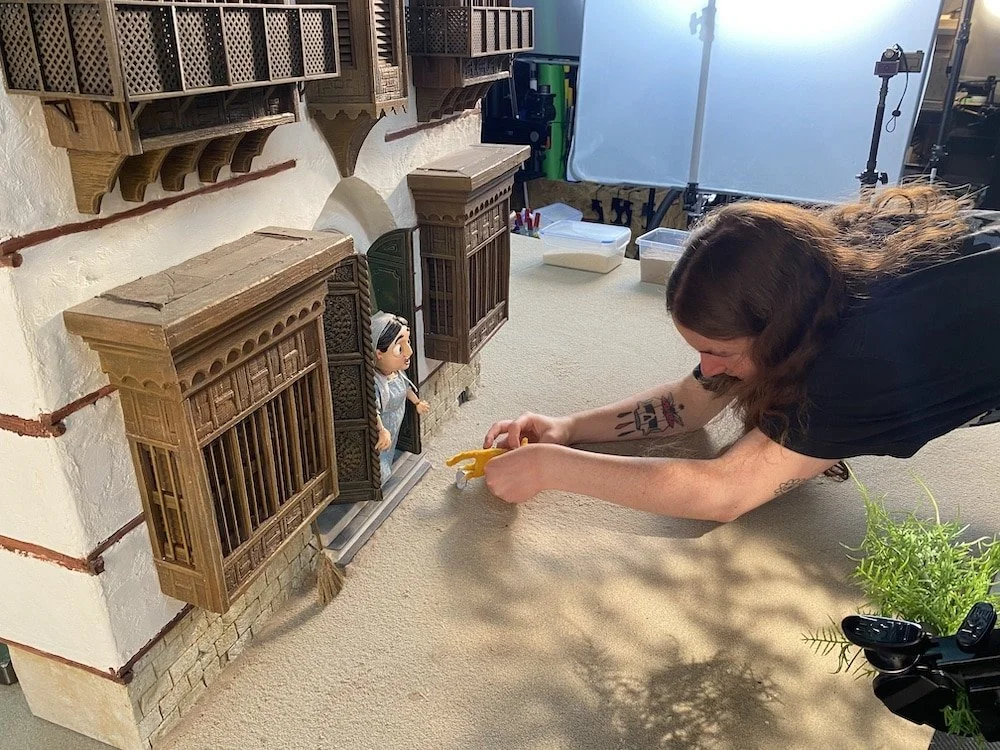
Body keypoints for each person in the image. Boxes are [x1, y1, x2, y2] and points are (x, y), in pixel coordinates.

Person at [481, 185, 1000, 520]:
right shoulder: (811, 266)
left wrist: (554, 469)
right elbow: (688, 404)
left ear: (778, 330)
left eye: (719, 351)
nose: (708, 369)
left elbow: (725, 492)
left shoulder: (855, 364)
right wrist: (567, 428)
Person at [372, 312, 430, 485]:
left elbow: (405, 388)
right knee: (381, 455)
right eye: (399, 348)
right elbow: (373, 409)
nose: (409, 352)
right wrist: (381, 430)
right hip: (385, 423)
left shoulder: (397, 373)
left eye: (408, 343)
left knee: (391, 449)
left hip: (396, 421)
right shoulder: (377, 383)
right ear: (379, 354)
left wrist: (417, 402)